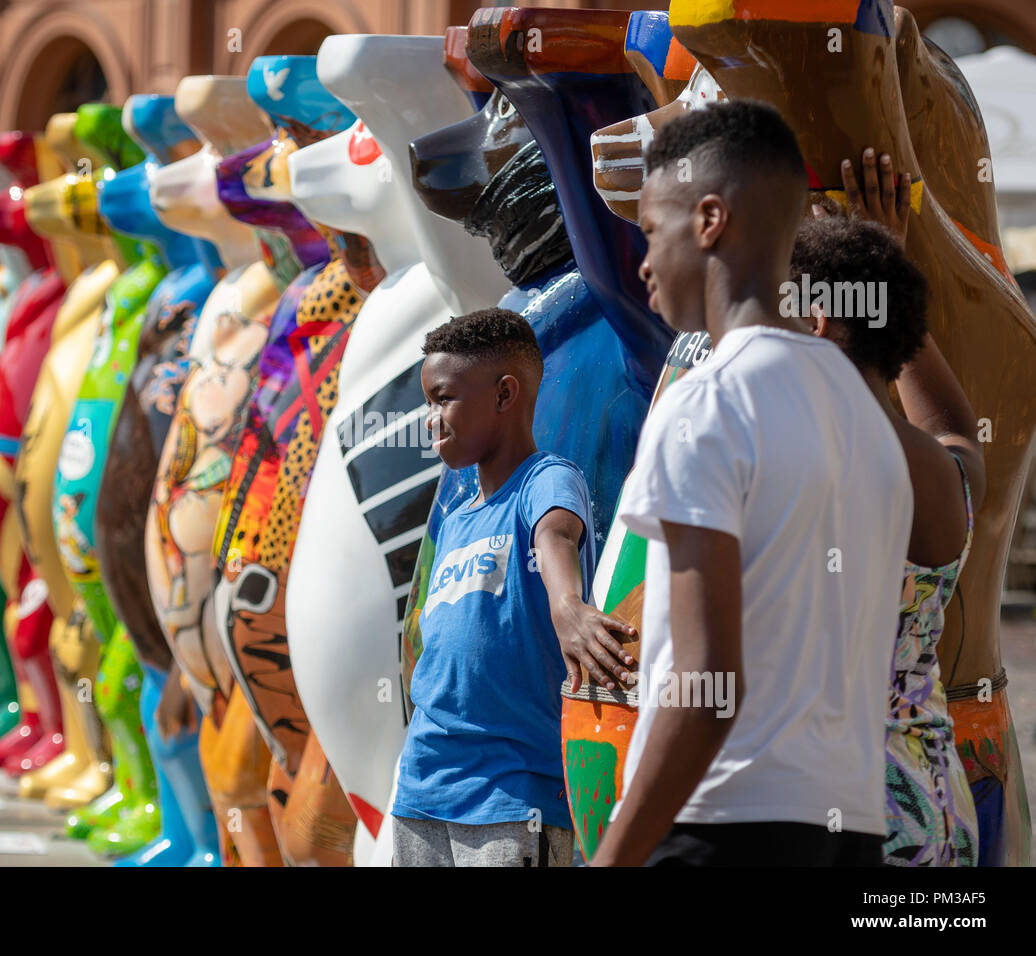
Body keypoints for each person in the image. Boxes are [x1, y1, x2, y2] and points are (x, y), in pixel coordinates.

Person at [590, 100, 912, 866]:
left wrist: (612, 858)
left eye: (650, 232)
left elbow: (705, 690)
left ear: (709, 220)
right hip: (854, 827)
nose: (641, 263)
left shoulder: (707, 401)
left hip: (719, 823)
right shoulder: (865, 413)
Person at [797, 148, 983, 865]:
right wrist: (883, 273)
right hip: (932, 809)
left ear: (814, 326)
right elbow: (954, 428)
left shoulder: (791, 463)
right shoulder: (939, 472)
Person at [391, 307, 624, 866]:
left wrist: (567, 604)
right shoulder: (454, 517)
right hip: (421, 786)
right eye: (428, 402)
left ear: (504, 395)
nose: (432, 419)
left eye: (443, 398)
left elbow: (557, 535)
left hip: (512, 795)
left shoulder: (544, 480)